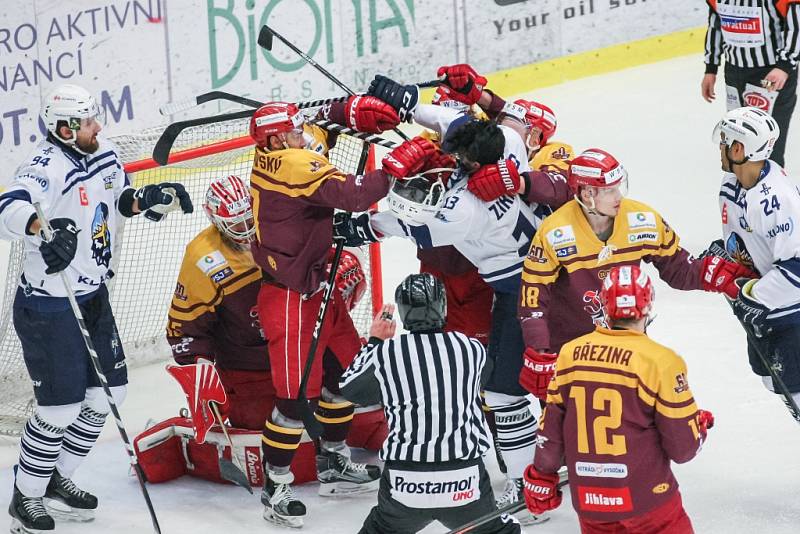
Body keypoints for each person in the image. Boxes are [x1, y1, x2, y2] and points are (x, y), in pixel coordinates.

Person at [0, 84, 193, 533]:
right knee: (59, 409)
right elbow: (8, 206)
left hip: (92, 296)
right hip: (49, 305)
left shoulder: (103, 152)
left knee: (109, 394)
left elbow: (120, 198)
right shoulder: (45, 167)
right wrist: (40, 228)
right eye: (88, 122)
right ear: (66, 129)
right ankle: (24, 496)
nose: (98, 127)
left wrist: (148, 198)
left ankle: (57, 480)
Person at [248, 99, 433, 528]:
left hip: (317, 287)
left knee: (345, 377)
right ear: (277, 139)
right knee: (293, 402)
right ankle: (275, 486)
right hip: (291, 298)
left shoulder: (280, 152)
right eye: (294, 131)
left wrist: (338, 114)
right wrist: (395, 167)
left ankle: (333, 462)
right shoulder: (290, 164)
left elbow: (316, 142)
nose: (302, 136)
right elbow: (355, 195)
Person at [517, 147, 755, 401]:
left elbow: (678, 269)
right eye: (609, 190)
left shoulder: (642, 220)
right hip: (569, 347)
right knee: (570, 427)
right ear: (587, 194)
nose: (618, 196)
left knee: (628, 418)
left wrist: (714, 274)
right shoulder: (556, 232)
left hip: (624, 345)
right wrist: (539, 350)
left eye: (619, 186)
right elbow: (533, 297)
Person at [522, 265, 714, 534]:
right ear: (648, 305)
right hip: (648, 500)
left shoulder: (569, 353)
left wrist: (542, 474)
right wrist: (697, 427)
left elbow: (551, 428)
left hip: (591, 503)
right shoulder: (661, 361)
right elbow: (683, 449)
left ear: (605, 305)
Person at [340, 273, 520, 534]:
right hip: (464, 483)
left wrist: (376, 341)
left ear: (402, 313)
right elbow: (482, 376)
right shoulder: (471, 349)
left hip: (404, 487)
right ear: (442, 306)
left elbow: (351, 389)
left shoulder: (386, 353)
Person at [712, 106, 800, 411]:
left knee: (795, 393)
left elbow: (798, 269)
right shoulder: (731, 183)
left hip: (790, 316)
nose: (720, 146)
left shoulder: (777, 199)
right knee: (771, 379)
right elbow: (744, 240)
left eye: (725, 140)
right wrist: (727, 255)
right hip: (765, 313)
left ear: (739, 148)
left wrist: (752, 295)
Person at [701, 0, 800, 167]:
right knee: (735, 137)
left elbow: (797, 24)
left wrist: (784, 66)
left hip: (770, 74)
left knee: (766, 144)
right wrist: (710, 68)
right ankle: (741, 189)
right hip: (734, 72)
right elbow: (715, 25)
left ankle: (769, 190)